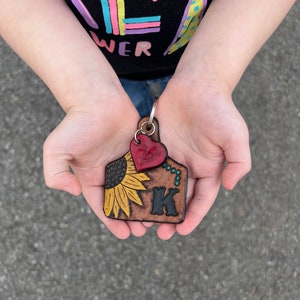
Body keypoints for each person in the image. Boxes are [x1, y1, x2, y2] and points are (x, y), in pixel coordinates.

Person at [0, 0, 295, 240]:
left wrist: (211, 76)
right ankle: (141, 112)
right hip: (88, 59)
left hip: (198, 50)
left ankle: (151, 109)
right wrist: (85, 92)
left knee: (166, 102)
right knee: (133, 104)